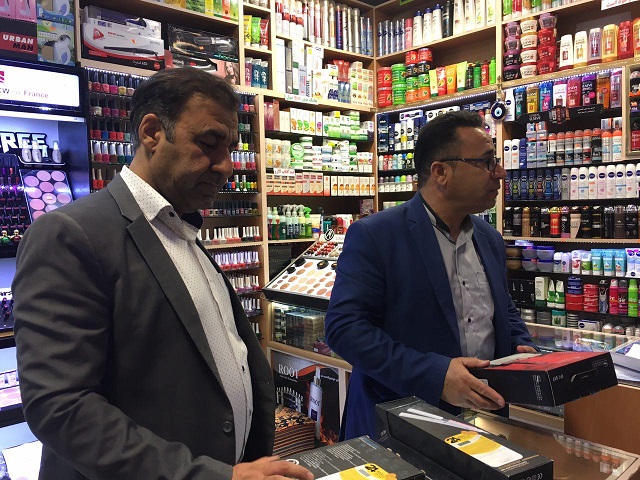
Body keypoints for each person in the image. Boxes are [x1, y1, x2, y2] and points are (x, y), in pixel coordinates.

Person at [12, 68, 313, 480]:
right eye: (209, 143)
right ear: (152, 132)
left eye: (230, 148)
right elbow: (61, 406)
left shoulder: (181, 229)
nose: (226, 166)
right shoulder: (69, 234)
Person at [325, 111, 537, 441]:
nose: (499, 172)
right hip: (400, 426)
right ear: (440, 172)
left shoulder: (489, 238)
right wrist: (436, 376)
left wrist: (520, 345)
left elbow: (501, 306)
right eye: (486, 162)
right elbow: (345, 329)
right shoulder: (376, 235)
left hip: (485, 421)